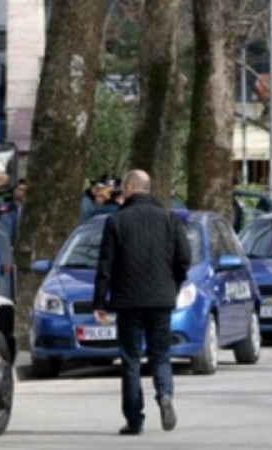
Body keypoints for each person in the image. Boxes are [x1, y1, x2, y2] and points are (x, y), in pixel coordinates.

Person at [93, 169, 191, 435]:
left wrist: (100, 301)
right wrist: (173, 285)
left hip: (127, 300)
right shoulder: (169, 219)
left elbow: (105, 266)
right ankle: (165, 394)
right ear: (148, 188)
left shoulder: (116, 221)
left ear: (128, 187)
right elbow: (184, 258)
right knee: (160, 355)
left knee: (131, 359)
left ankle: (134, 419)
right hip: (161, 298)